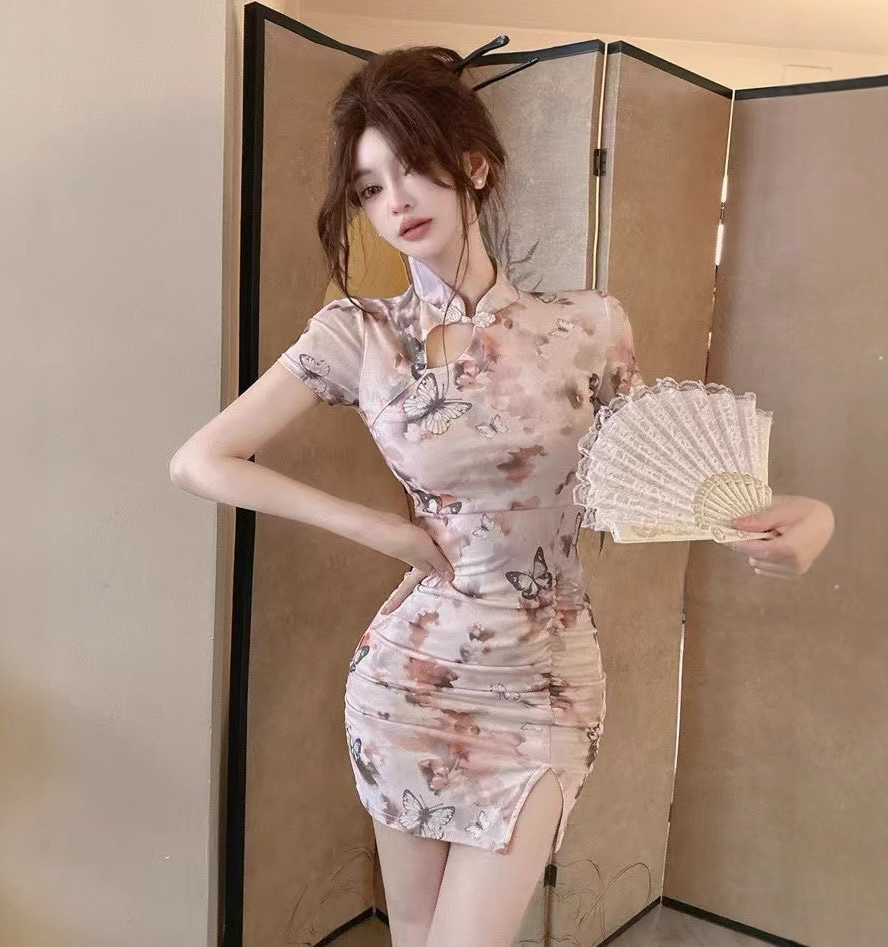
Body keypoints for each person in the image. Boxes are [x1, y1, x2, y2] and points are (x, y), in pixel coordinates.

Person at [170, 44, 835, 947]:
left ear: (474, 166)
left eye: (412, 167)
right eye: (369, 187)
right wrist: (385, 532)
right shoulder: (360, 334)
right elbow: (202, 460)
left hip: (544, 682)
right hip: (408, 680)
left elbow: (660, 475)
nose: (395, 200)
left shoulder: (588, 324)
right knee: (414, 931)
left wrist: (802, 514)